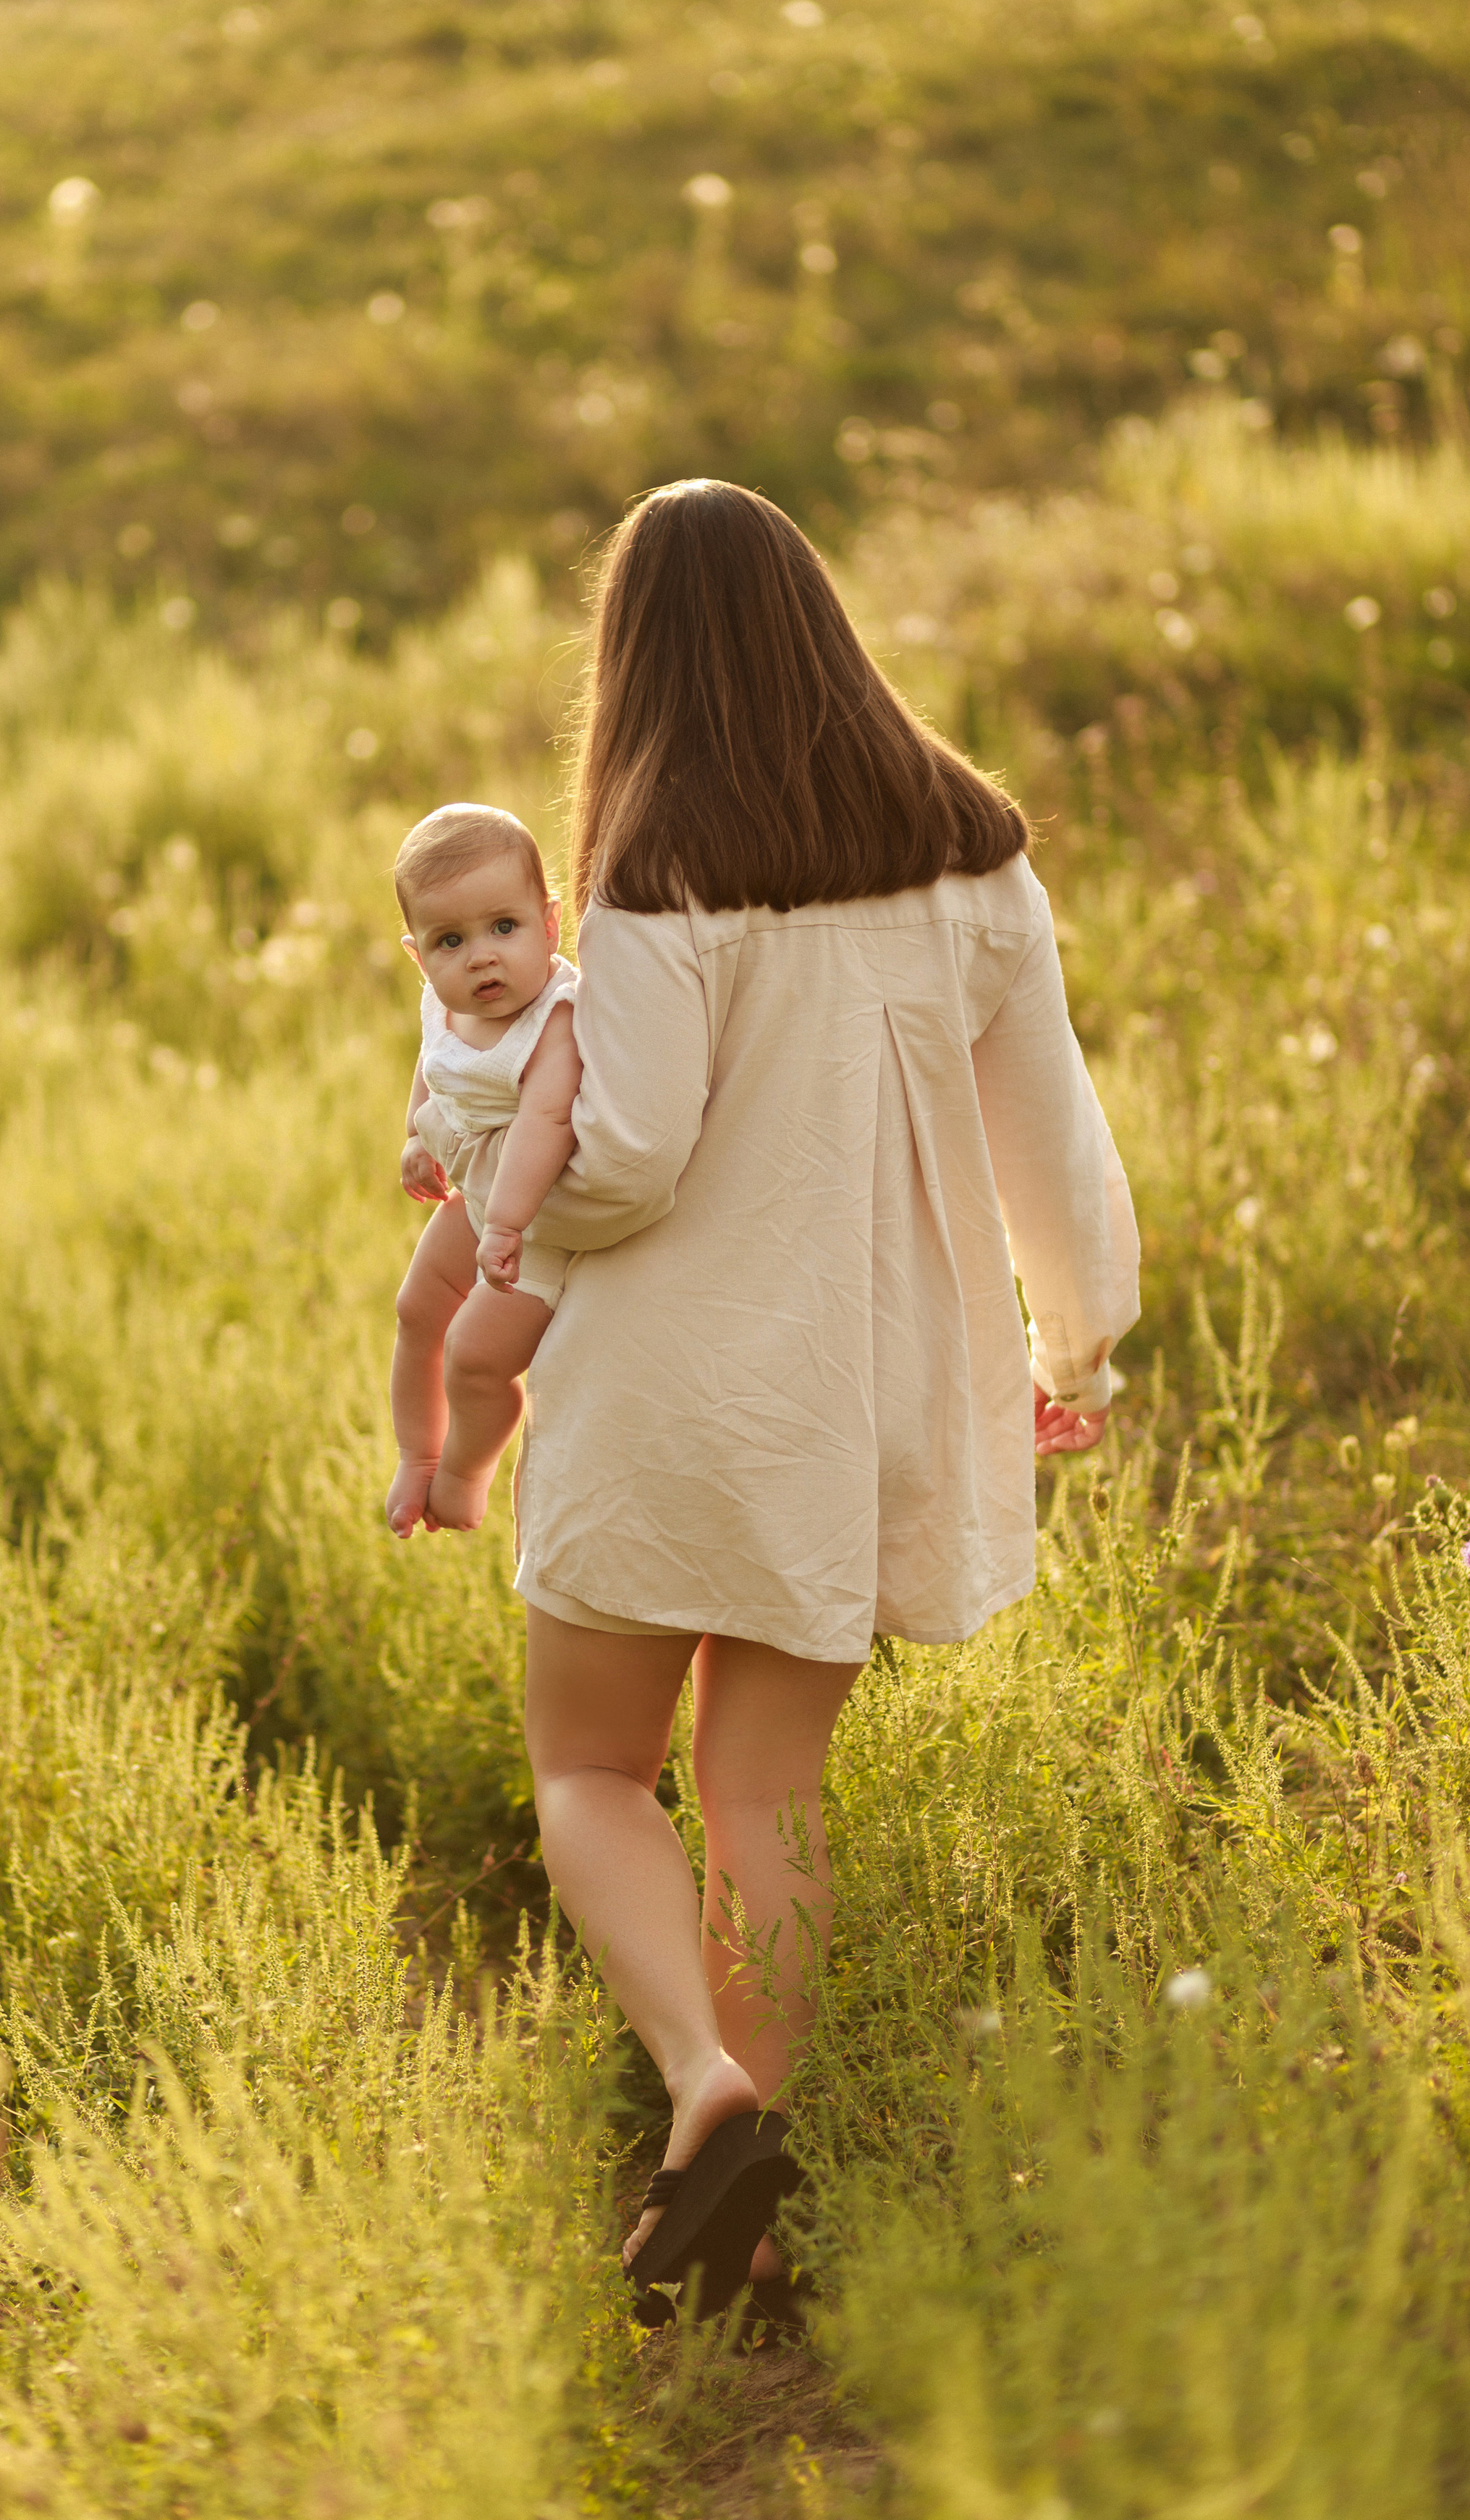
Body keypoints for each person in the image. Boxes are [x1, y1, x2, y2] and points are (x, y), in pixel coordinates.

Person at [488, 480, 1140, 2325]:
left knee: (588, 1767)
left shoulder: (656, 872)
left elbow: (625, 1164)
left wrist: (496, 1174)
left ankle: (698, 2079)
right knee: (765, 1798)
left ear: (632, 659)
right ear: (817, 622)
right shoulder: (969, 853)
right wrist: (1070, 1350)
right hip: (856, 1411)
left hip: (669, 1398)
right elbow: (1056, 1154)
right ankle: (745, 2207)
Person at [385, 804, 583, 1539]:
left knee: (474, 1356)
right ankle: (416, 1454)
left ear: (549, 923)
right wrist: (414, 1133)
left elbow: (548, 1121)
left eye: (505, 927)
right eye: (450, 940)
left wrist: (504, 1223)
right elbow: (433, 1064)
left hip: (536, 1222)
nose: (480, 957)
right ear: (418, 956)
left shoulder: (554, 1018)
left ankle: (465, 1475)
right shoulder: (445, 1002)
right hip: (475, 1198)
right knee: (416, 1312)